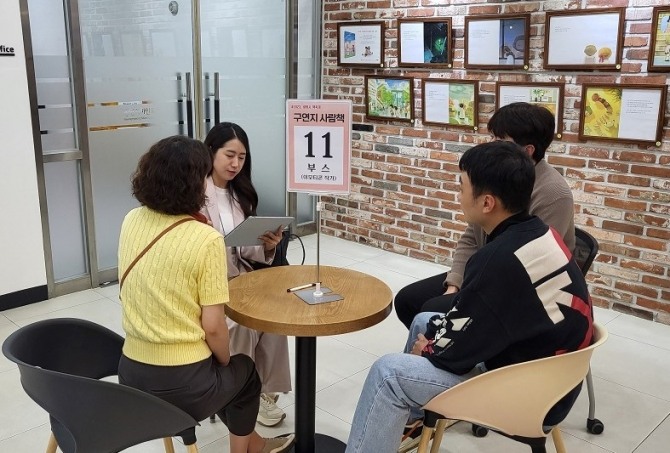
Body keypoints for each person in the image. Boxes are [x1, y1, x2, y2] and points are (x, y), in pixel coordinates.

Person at [345, 141, 593, 453]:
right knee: (423, 320)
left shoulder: (496, 261)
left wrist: (429, 351)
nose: (458, 195)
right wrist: (432, 342)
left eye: (461, 187)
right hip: (552, 377)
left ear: (487, 202)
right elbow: (473, 319)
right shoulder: (540, 232)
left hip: (530, 396)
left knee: (387, 374)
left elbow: (455, 355)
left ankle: (400, 410)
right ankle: (409, 418)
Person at [117, 135, 294, 453]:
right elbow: (213, 327)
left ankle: (255, 443)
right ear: (195, 182)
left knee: (229, 371)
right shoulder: (205, 238)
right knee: (242, 373)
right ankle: (246, 450)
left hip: (131, 375)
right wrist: (224, 362)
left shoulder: (131, 219)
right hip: (182, 385)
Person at [395, 102, 575, 329]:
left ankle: (446, 346)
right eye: (492, 138)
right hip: (485, 271)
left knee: (432, 309)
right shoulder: (497, 178)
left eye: (499, 140)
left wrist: (467, 294)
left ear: (527, 150)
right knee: (407, 300)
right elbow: (472, 237)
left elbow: (531, 266)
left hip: (520, 287)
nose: (491, 145)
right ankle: (436, 344)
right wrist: (455, 284)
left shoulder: (553, 194)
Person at [201, 122, 292, 427]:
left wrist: (268, 245)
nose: (235, 164)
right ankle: (239, 393)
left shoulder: (241, 195)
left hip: (242, 278)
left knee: (273, 317)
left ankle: (262, 391)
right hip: (210, 283)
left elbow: (244, 249)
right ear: (211, 151)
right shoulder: (194, 194)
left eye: (241, 157)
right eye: (229, 155)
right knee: (240, 324)